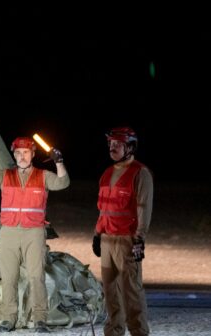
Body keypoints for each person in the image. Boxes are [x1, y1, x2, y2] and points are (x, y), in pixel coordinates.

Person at [0, 135, 69, 333]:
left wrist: (59, 162)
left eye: (25, 152)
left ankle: (40, 319)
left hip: (34, 232)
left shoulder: (43, 176)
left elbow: (62, 183)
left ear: (33, 154)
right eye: (18, 153)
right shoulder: (5, 175)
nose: (22, 156)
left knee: (36, 277)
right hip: (9, 232)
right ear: (14, 155)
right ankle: (9, 319)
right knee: (8, 278)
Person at [93, 127, 152, 336]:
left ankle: (138, 332)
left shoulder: (140, 173)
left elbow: (144, 208)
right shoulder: (107, 173)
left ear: (130, 147)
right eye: (110, 144)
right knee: (110, 292)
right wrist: (97, 234)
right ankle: (113, 332)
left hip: (127, 240)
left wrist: (139, 239)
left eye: (117, 144)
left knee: (131, 293)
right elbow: (104, 208)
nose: (112, 147)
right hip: (108, 240)